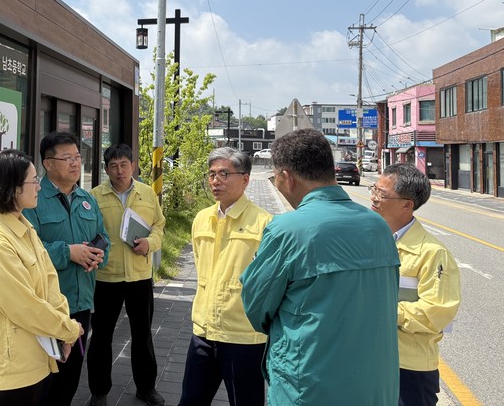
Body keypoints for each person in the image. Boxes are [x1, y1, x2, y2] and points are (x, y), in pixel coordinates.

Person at [240, 128, 401, 406]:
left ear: (287, 177)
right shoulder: (378, 226)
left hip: (309, 386)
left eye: (275, 178)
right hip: (375, 386)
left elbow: (257, 308)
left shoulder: (287, 230)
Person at [0, 149, 83, 406]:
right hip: (9, 370)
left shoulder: (23, 226)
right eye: (34, 180)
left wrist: (62, 330)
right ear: (14, 188)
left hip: (34, 358)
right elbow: (25, 306)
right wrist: (68, 329)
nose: (39, 187)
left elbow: (49, 281)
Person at [178, 147, 272, 406]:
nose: (215, 181)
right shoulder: (201, 218)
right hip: (203, 331)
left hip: (244, 337)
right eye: (211, 174)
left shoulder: (264, 223)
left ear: (245, 179)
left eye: (223, 174)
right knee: (190, 401)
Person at [23, 132, 110, 406]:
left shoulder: (87, 199)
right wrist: (68, 253)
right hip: (48, 306)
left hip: (81, 305)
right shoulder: (33, 200)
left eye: (77, 157)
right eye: (67, 158)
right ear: (48, 164)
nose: (75, 163)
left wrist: (97, 255)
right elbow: (26, 250)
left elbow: (103, 239)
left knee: (70, 380)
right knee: (45, 382)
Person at [370, 164, 461, 406]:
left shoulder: (432, 253)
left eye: (382, 194)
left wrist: (380, 311)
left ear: (407, 205)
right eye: (374, 189)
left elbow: (437, 313)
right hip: (368, 359)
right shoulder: (366, 240)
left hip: (410, 368)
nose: (374, 198)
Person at [87, 144, 166, 406]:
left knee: (142, 335)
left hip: (139, 277)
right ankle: (99, 391)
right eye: (113, 166)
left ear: (133, 165)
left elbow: (159, 226)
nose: (119, 171)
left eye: (124, 165)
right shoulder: (94, 196)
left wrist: (150, 243)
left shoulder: (147, 193)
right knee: (101, 337)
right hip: (105, 278)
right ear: (106, 169)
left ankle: (146, 388)